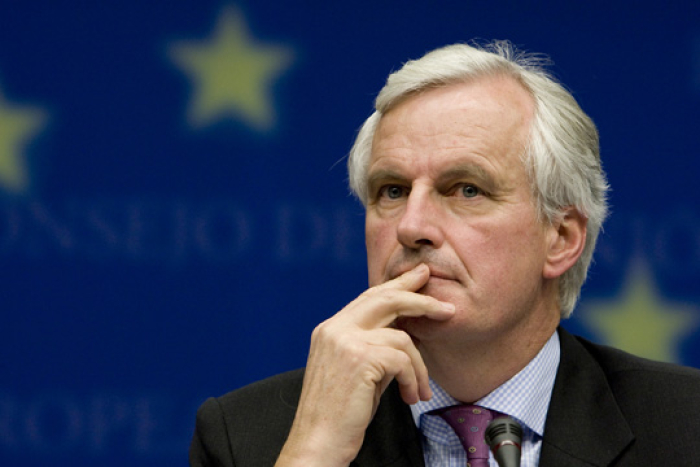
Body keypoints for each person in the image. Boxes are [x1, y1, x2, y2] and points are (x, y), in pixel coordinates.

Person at [189, 41, 700, 466]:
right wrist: (313, 454)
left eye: (466, 190)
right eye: (392, 191)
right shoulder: (247, 439)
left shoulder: (685, 426)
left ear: (561, 238)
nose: (411, 227)